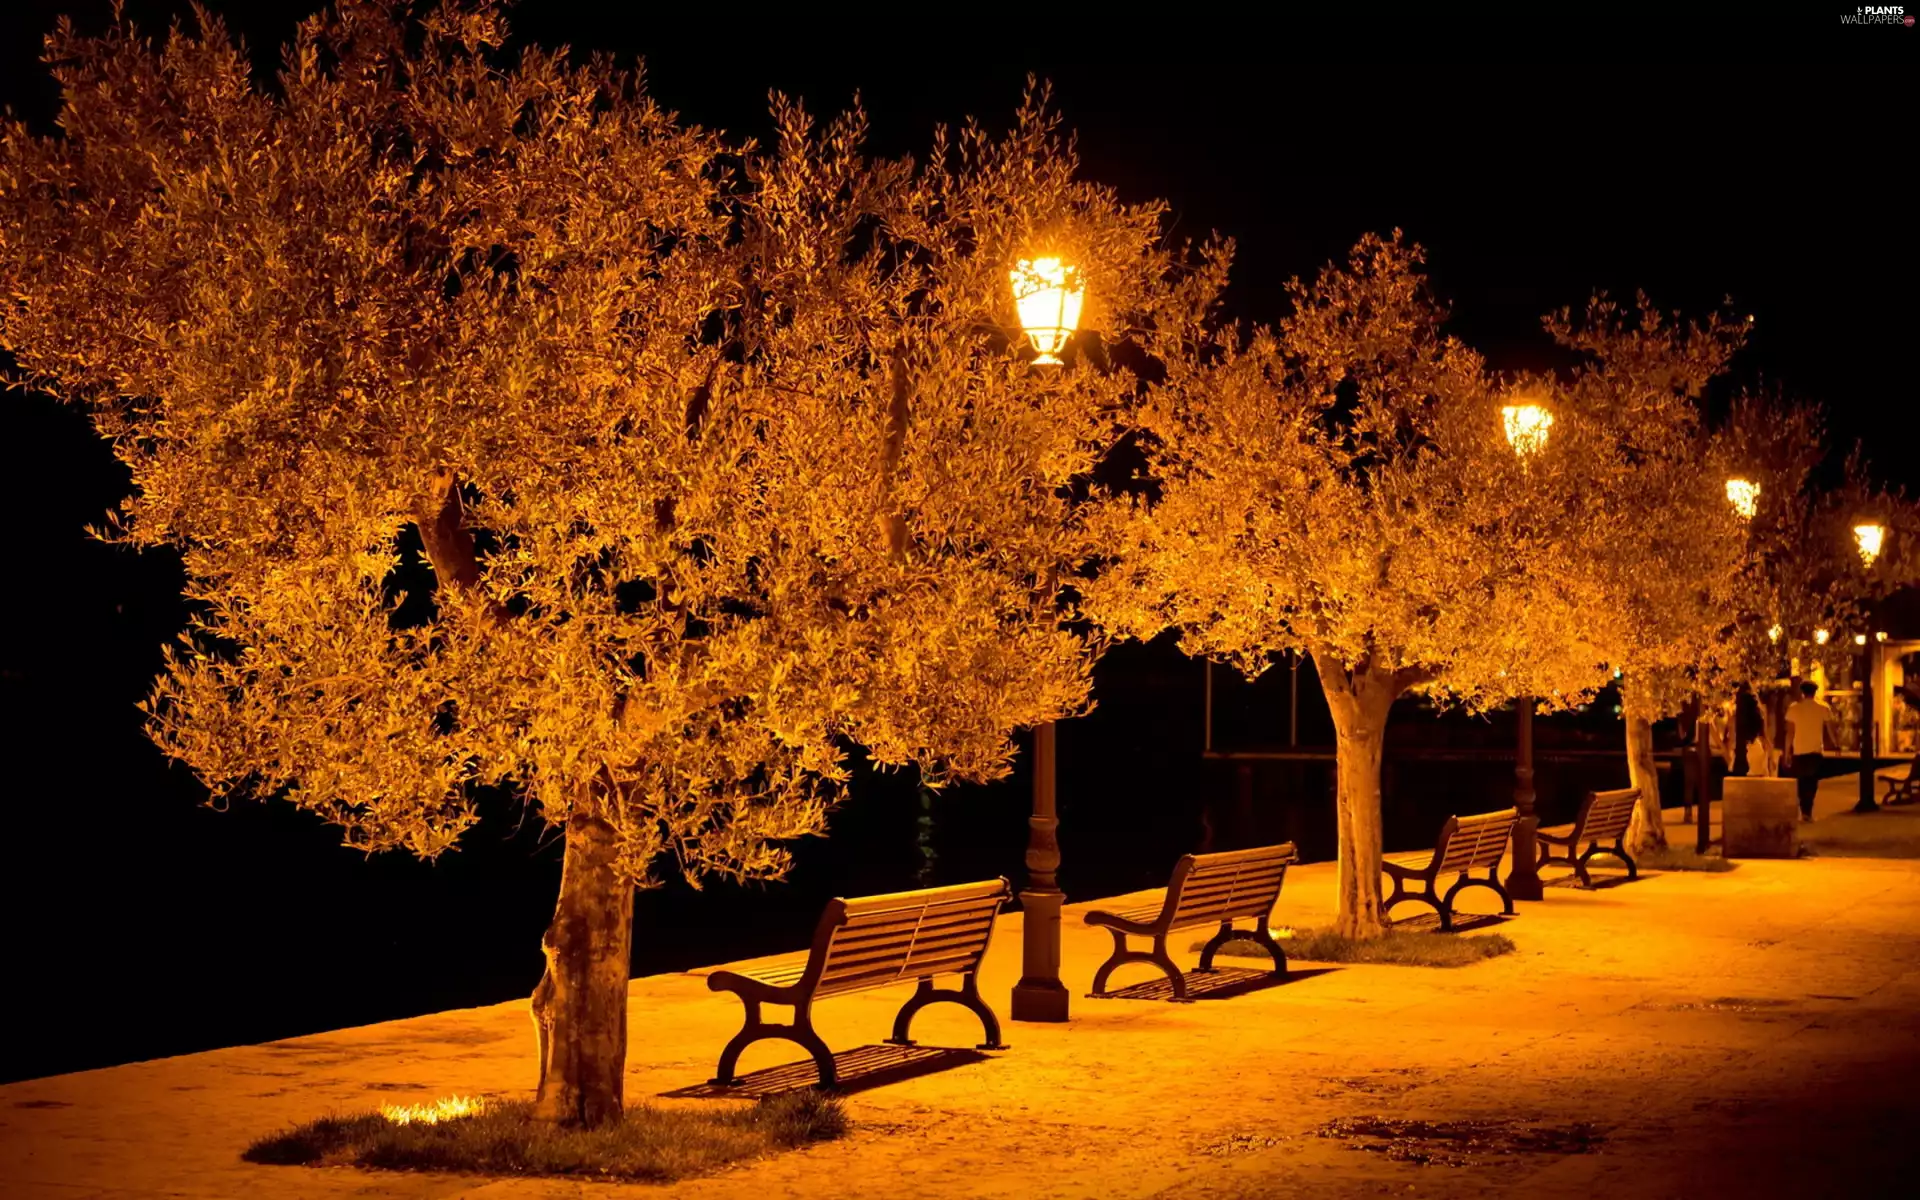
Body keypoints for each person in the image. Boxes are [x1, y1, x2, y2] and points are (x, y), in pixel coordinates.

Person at [1783, 681, 1836, 822]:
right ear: (1815, 692)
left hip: (1799, 750)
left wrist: (1787, 752)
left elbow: (1790, 732)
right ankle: (1808, 811)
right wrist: (1835, 743)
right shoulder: (1823, 707)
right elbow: (1830, 729)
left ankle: (1804, 811)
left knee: (1801, 782)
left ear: (1802, 692)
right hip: (1815, 750)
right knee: (1812, 782)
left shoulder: (1794, 708)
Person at [1727, 683, 1773, 778]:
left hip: (1741, 753)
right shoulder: (1759, 714)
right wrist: (1770, 759)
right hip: (1757, 750)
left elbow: (1732, 740)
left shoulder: (1735, 718)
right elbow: (1765, 736)